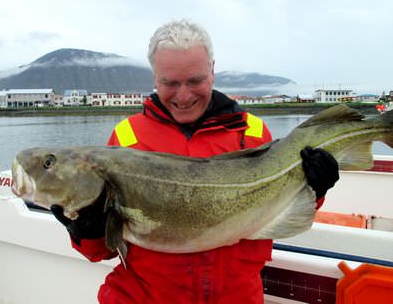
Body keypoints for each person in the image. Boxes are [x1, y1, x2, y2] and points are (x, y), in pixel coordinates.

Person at [51, 19, 339, 303]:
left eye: (195, 80)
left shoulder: (251, 133)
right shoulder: (127, 139)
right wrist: (85, 230)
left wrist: (314, 189)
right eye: (170, 82)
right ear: (155, 78)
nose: (184, 95)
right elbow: (101, 251)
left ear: (212, 70)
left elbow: (274, 211)